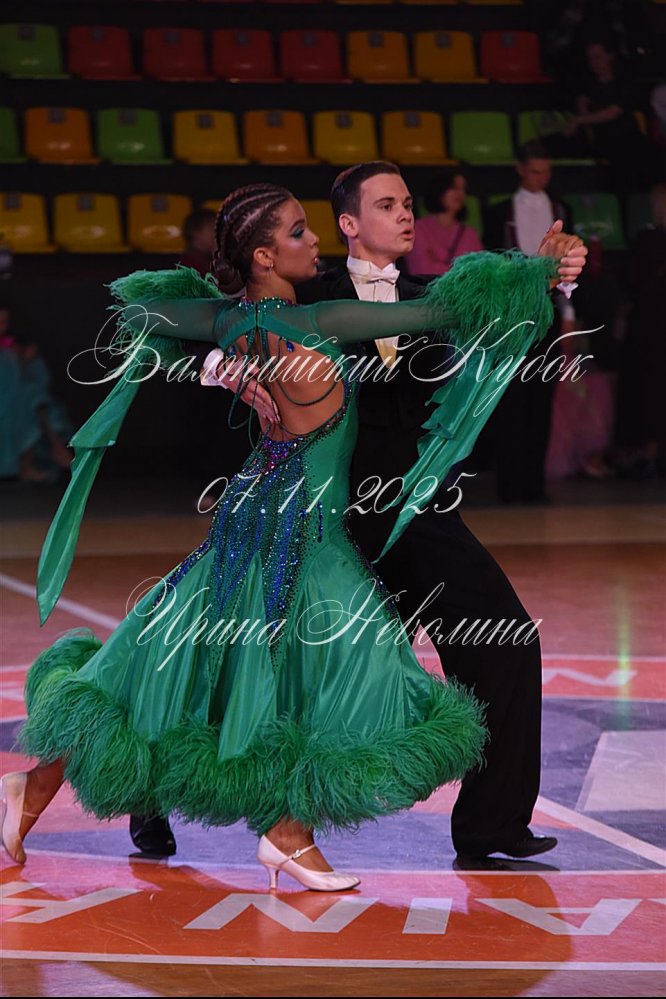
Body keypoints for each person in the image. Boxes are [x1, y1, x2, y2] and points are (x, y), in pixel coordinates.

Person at [1, 183, 580, 887]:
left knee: (170, 656)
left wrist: (222, 351)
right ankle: (283, 832)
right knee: (362, 667)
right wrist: (535, 270)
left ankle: (39, 789)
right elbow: (445, 310)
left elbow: (146, 310)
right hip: (302, 527)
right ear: (267, 255)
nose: (314, 242)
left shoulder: (229, 317)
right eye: (300, 232)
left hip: (256, 513)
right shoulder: (322, 316)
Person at [177, 163, 589, 865]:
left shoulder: (431, 294)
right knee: (248, 665)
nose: (405, 215)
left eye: (408, 204)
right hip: (329, 522)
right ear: (348, 223)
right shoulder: (308, 293)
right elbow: (212, 320)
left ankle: (491, 827)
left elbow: (497, 301)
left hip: (416, 514)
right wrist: (227, 368)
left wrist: (554, 272)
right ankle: (152, 794)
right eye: (387, 204)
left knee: (505, 641)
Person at [484, 141, 577, 505]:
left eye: (547, 171)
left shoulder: (562, 209)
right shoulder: (498, 212)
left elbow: (570, 268)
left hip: (548, 310)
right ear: (520, 169)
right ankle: (509, 484)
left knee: (541, 399)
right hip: (510, 314)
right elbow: (491, 266)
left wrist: (568, 314)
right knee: (510, 398)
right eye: (536, 170)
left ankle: (534, 484)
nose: (542, 177)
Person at [404, 168, 483, 276]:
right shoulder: (418, 229)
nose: (461, 193)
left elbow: (478, 273)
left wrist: (435, 262)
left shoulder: (470, 234)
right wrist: (460, 271)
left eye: (464, 190)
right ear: (440, 189)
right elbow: (422, 270)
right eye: (454, 187)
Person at [179, 208, 217, 277]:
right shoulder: (188, 266)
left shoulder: (212, 259)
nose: (216, 233)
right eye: (211, 227)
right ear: (194, 231)